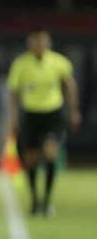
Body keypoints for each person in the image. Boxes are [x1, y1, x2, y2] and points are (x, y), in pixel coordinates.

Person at [8, 29, 81, 217]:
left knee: (50, 155)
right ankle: (34, 200)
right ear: (30, 45)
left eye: (42, 43)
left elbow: (69, 85)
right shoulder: (21, 64)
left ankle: (47, 201)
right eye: (35, 43)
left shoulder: (59, 62)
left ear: (48, 44)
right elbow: (13, 92)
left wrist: (73, 110)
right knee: (30, 159)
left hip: (52, 114)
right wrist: (14, 116)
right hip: (31, 114)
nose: (38, 47)